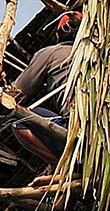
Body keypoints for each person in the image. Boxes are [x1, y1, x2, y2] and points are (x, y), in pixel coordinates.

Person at [7, 10, 80, 165]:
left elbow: (17, 93)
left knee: (18, 119)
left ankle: (61, 166)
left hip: (77, 132)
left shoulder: (52, 52)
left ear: (59, 35)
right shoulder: (103, 55)